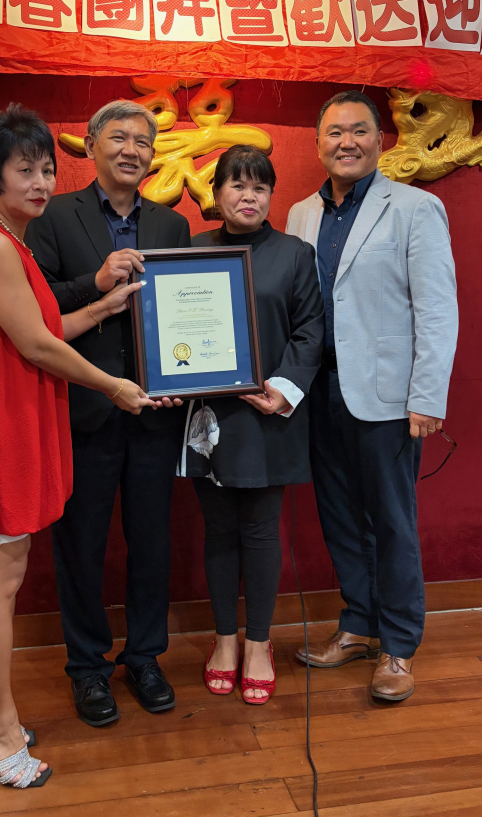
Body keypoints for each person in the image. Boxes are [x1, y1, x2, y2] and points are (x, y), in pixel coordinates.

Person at [0, 105, 157, 789]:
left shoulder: (10, 240)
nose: (41, 182)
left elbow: (44, 325)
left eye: (47, 169)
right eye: (24, 169)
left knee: (8, 570)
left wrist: (102, 307)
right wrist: (112, 385)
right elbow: (36, 345)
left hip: (12, 418)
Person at [286, 91, 458, 702]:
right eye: (335, 132)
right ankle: (358, 624)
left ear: (379, 141)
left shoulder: (415, 207)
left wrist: (427, 396)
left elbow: (436, 309)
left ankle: (399, 645)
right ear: (318, 144)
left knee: (390, 520)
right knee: (338, 516)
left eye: (359, 131)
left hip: (388, 396)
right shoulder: (301, 214)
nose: (347, 142)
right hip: (319, 391)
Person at [26, 100, 190, 727]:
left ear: (153, 155)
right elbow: (35, 305)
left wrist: (184, 378)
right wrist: (93, 283)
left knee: (152, 543)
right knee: (81, 545)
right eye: (118, 137)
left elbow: (185, 311)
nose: (131, 150)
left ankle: (145, 657)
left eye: (143, 141)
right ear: (91, 144)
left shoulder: (173, 224)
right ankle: (87, 667)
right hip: (83, 409)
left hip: (154, 411)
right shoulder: (53, 215)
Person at [186, 145, 323, 705]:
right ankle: (225, 640)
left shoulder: (294, 254)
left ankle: (260, 643)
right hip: (208, 416)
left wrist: (284, 389)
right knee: (218, 530)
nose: (249, 196)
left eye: (260, 187)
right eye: (237, 185)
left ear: (271, 196)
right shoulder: (191, 251)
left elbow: (310, 330)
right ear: (216, 193)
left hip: (268, 411)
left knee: (262, 531)